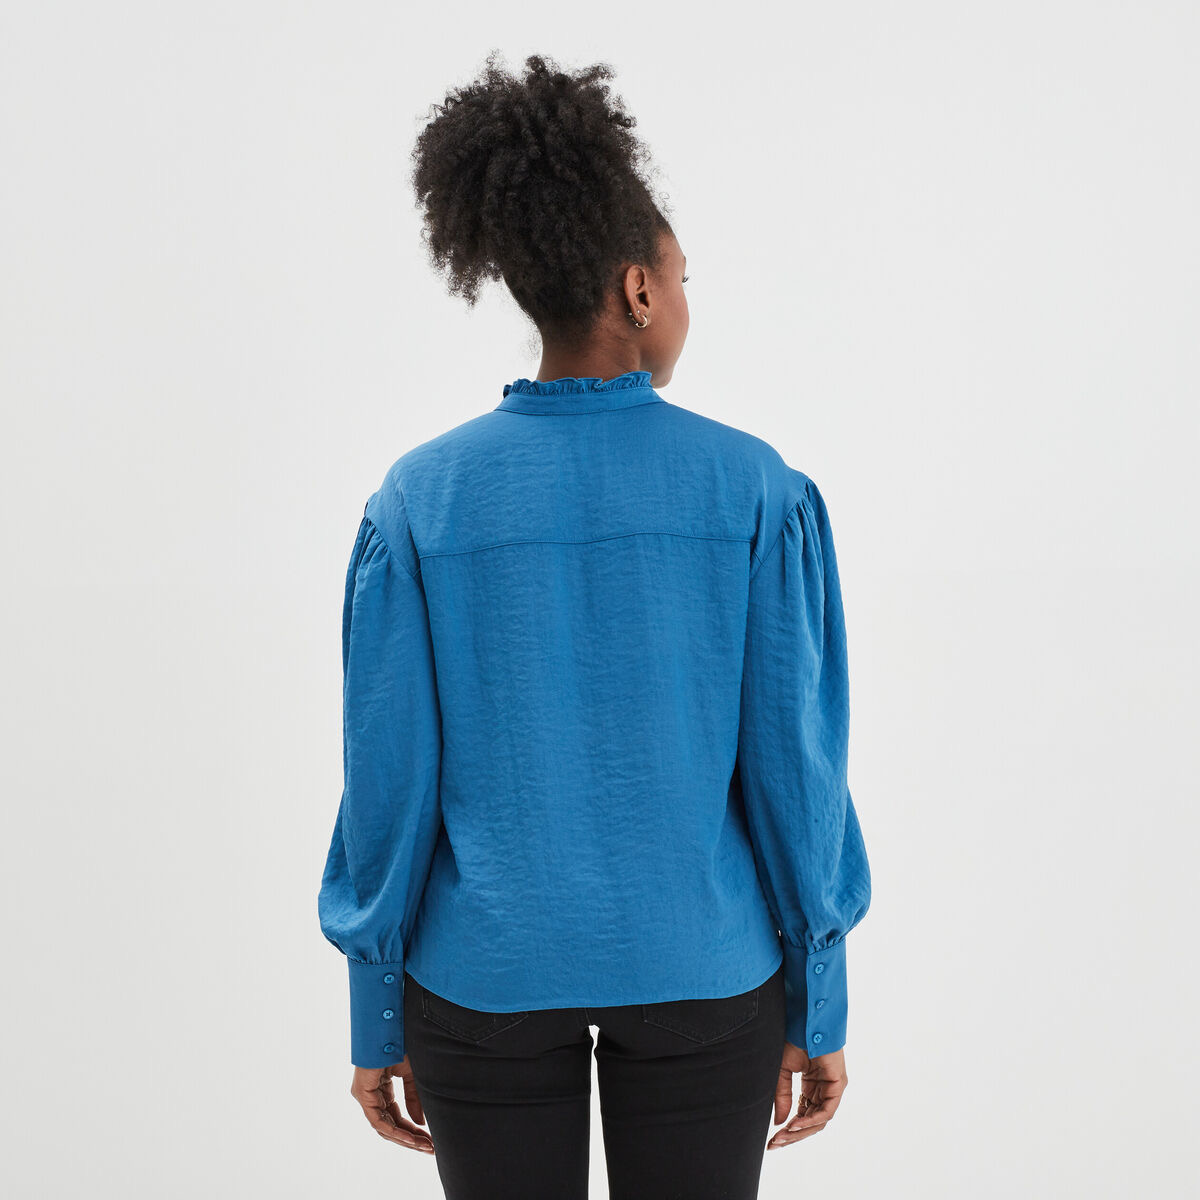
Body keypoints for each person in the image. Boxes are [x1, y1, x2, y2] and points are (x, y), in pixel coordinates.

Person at [317, 51, 872, 1200]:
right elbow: (796, 773)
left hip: (481, 980)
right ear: (637, 290)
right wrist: (817, 995)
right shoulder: (754, 491)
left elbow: (387, 784)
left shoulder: (420, 501)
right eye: (681, 277)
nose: (686, 301)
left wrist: (376, 1009)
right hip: (704, 969)